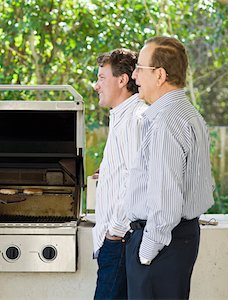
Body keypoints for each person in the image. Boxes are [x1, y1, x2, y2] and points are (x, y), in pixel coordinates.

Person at [125, 36, 214, 299]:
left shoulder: (167, 121)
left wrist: (146, 252)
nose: (134, 74)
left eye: (140, 68)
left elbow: (166, 199)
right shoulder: (187, 113)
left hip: (161, 244)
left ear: (160, 74)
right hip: (177, 240)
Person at [92, 49, 148, 300]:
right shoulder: (121, 117)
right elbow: (127, 169)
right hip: (115, 242)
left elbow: (136, 180)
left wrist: (115, 231)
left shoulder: (134, 118)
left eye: (102, 78)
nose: (96, 86)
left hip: (120, 241)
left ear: (123, 80)